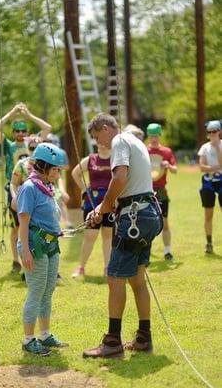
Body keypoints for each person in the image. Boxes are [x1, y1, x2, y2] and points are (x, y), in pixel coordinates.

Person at [82, 113, 162, 359]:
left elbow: (120, 178)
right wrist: (109, 206)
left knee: (115, 277)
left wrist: (102, 208)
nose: (101, 144)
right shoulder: (135, 141)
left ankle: (113, 341)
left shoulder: (118, 141)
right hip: (149, 213)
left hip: (135, 216)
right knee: (137, 279)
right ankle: (143, 337)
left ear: (106, 128)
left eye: (98, 137)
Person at [16, 142, 68, 355]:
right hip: (34, 246)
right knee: (36, 291)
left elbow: (50, 214)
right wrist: (26, 251)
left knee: (48, 291)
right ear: (44, 166)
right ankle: (28, 339)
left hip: (51, 244)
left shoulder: (47, 186)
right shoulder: (29, 188)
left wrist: (56, 230)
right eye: (55, 169)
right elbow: (24, 222)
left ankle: (44, 335)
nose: (58, 173)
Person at [0, 102, 51, 273]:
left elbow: (48, 128)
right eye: (16, 131)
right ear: (13, 133)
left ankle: (37, 255)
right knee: (16, 226)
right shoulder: (9, 145)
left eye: (23, 130)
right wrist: (11, 113)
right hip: (16, 188)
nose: (20, 134)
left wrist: (29, 115)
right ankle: (15, 261)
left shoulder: (33, 142)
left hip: (36, 188)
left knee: (37, 224)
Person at [71, 143, 113, 278]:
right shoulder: (90, 159)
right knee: (90, 235)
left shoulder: (115, 159)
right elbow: (75, 172)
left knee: (108, 235)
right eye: (99, 142)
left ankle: (107, 268)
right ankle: (81, 267)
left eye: (104, 142)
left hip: (111, 202)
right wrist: (84, 188)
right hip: (92, 202)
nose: (102, 145)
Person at [146, 123, 177, 260]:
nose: (154, 138)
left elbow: (175, 170)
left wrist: (168, 165)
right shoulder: (143, 150)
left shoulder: (166, 151)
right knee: (146, 222)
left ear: (159, 135)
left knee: (164, 221)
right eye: (151, 136)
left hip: (161, 191)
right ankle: (146, 251)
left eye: (156, 135)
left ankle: (167, 251)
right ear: (148, 136)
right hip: (146, 191)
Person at [198, 120, 222, 254]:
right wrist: (215, 167)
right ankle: (209, 242)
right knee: (208, 214)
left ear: (219, 132)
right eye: (210, 132)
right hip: (208, 182)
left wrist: (218, 147)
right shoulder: (204, 148)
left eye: (215, 131)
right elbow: (202, 167)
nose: (212, 134)